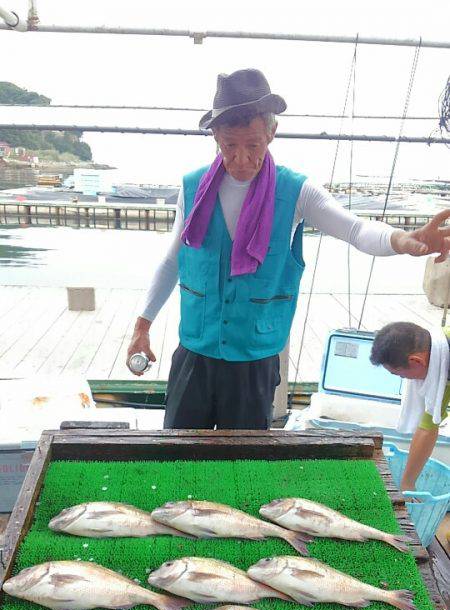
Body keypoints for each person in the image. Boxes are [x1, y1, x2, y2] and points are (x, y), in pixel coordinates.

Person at [127, 68, 450, 430]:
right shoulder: (193, 188)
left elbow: (356, 229)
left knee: (243, 468)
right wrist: (143, 326)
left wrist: (402, 240)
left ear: (271, 133)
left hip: (254, 359)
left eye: (253, 145)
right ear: (215, 136)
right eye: (229, 146)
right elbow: (173, 260)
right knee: (177, 455)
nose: (242, 159)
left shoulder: (297, 192)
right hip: (194, 353)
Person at [370, 321, 450, 492]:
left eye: (399, 374)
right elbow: (428, 426)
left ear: (416, 361)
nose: (405, 380)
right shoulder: (441, 360)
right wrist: (408, 484)